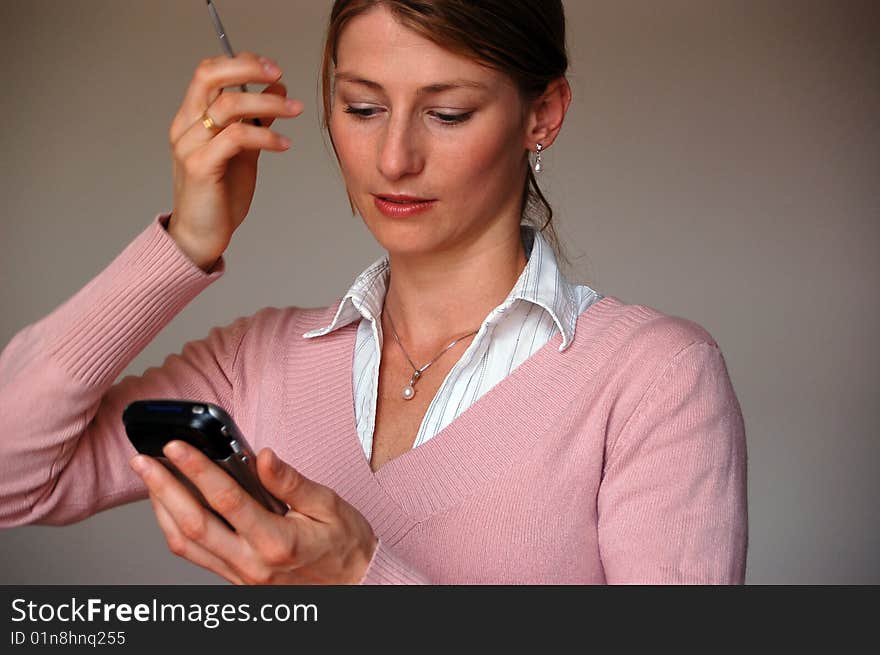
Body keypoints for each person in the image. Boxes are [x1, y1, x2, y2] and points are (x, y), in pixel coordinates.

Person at [0, 0, 747, 584]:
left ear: (542, 115)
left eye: (446, 112)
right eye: (362, 107)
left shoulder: (655, 380)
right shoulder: (258, 361)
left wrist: (360, 578)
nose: (393, 158)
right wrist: (184, 246)